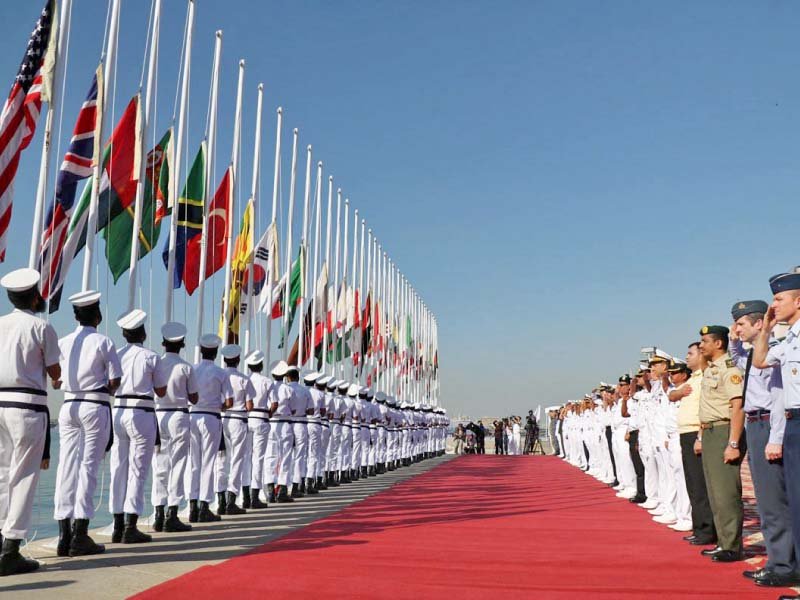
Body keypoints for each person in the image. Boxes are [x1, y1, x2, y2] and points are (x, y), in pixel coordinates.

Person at [729, 299, 797, 586]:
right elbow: (740, 360)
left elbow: (780, 396)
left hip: (772, 423)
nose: (737, 329)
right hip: (755, 423)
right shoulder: (751, 354)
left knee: (775, 501)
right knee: (768, 498)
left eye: (742, 323)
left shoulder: (777, 350)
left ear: (759, 324)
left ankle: (783, 563)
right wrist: (735, 340)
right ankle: (779, 560)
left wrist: (775, 437)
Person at [0, 268, 60, 576]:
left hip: (0, 403)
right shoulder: (41, 327)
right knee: (23, 477)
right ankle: (11, 549)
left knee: (1, 474)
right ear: (35, 295)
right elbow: (55, 371)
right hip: (27, 406)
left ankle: (1, 540)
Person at [54, 290, 122, 557]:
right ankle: (80, 534)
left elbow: (56, 379)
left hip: (68, 404)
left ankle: (64, 535)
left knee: (66, 466)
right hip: (94, 404)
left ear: (75, 315)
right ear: (98, 314)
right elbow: (115, 380)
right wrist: (106, 387)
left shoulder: (63, 341)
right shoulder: (103, 342)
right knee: (88, 467)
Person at [752, 273, 800, 600]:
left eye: (779, 299)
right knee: (797, 505)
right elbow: (759, 360)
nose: (774, 305)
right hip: (794, 423)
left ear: (798, 300)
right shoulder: (788, 341)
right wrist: (766, 330)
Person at [109, 309, 164, 544]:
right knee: (138, 470)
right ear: (142, 332)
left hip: (118, 410)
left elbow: (109, 384)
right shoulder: (151, 357)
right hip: (142, 411)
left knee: (117, 469)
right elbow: (161, 390)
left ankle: (117, 524)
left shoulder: (117, 355)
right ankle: (131, 526)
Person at [697, 325, 745, 562]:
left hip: (724, 430)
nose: (701, 345)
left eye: (705, 341)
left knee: (726, 491)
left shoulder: (729, 369)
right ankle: (723, 541)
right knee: (715, 492)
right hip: (709, 432)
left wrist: (733, 443)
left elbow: (738, 406)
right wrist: (700, 436)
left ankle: (732, 546)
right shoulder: (710, 369)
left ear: (718, 343)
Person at [151, 321, 197, 533]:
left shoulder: (156, 363)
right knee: (178, 464)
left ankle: (158, 512)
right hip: (179, 414)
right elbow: (194, 398)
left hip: (159, 414)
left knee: (159, 463)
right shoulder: (186, 367)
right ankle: (172, 512)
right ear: (182, 344)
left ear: (163, 343)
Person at [670, 342, 716, 546]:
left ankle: (707, 530)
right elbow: (672, 395)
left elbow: (705, 410)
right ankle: (699, 528)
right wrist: (678, 393)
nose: (687, 357)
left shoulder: (706, 376)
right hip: (685, 433)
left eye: (691, 353)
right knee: (693, 484)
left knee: (700, 484)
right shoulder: (694, 378)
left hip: (696, 433)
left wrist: (699, 436)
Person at [189, 334, 233, 522]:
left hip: (192, 415)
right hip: (212, 417)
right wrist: (219, 406)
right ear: (216, 353)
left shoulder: (192, 369)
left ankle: (191, 505)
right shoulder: (221, 373)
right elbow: (229, 401)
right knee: (208, 463)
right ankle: (204, 506)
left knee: (194, 463)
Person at [215, 344, 254, 515]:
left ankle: (220, 499)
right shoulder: (244, 379)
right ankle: (232, 498)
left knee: (221, 459)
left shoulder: (219, 376)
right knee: (237, 459)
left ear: (224, 360)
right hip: (238, 420)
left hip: (222, 419)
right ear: (238, 360)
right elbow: (250, 405)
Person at [245, 350, 271, 509]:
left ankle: (245, 495)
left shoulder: (246, 380)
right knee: (258, 458)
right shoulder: (267, 381)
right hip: (261, 418)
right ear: (261, 365)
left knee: (245, 458)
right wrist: (269, 415)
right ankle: (255, 495)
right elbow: (274, 403)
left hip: (247, 419)